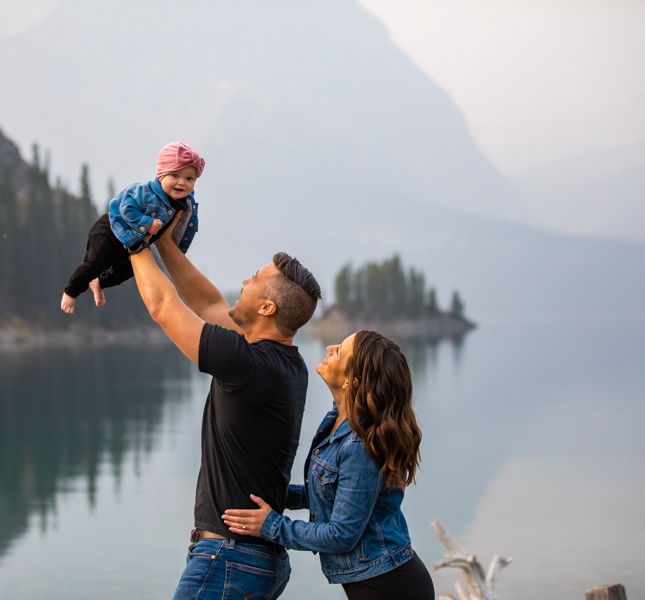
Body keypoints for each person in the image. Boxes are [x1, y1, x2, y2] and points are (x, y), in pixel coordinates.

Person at [128, 225, 322, 599]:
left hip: (230, 559)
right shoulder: (285, 364)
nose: (245, 280)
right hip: (256, 561)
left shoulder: (248, 364)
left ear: (267, 308)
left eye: (256, 279)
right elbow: (208, 306)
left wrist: (133, 239)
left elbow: (163, 306)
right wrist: (163, 243)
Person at [222, 330, 436, 600]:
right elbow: (333, 493)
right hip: (378, 580)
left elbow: (341, 534)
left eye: (341, 352)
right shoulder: (337, 422)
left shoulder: (359, 446)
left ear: (351, 381)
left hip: (389, 586)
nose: (331, 347)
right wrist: (275, 493)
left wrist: (271, 526)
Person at [60, 141, 203, 314]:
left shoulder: (186, 204)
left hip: (132, 243)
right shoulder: (145, 192)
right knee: (95, 262)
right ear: (161, 174)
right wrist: (147, 223)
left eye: (189, 179)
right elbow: (126, 207)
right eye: (175, 175)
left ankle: (98, 283)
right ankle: (71, 291)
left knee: (128, 271)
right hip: (111, 231)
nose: (182, 183)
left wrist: (178, 251)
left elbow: (187, 228)